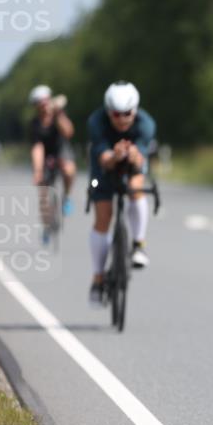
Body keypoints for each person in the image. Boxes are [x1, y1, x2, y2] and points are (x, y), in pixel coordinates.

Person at [86, 81, 156, 306]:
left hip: (133, 163)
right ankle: (98, 277)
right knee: (103, 216)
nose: (122, 118)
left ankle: (138, 245)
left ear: (135, 111)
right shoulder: (96, 122)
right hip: (105, 165)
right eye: (116, 114)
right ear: (108, 112)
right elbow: (102, 158)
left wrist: (133, 156)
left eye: (127, 113)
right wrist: (114, 156)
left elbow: (141, 158)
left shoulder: (145, 124)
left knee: (136, 186)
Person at [28, 85, 76, 232]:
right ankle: (46, 225)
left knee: (69, 171)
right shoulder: (34, 124)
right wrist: (37, 171)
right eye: (39, 102)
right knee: (43, 191)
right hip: (45, 155)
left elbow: (69, 132)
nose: (43, 105)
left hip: (61, 150)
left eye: (45, 100)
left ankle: (66, 197)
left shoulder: (58, 115)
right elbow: (37, 148)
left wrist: (58, 114)